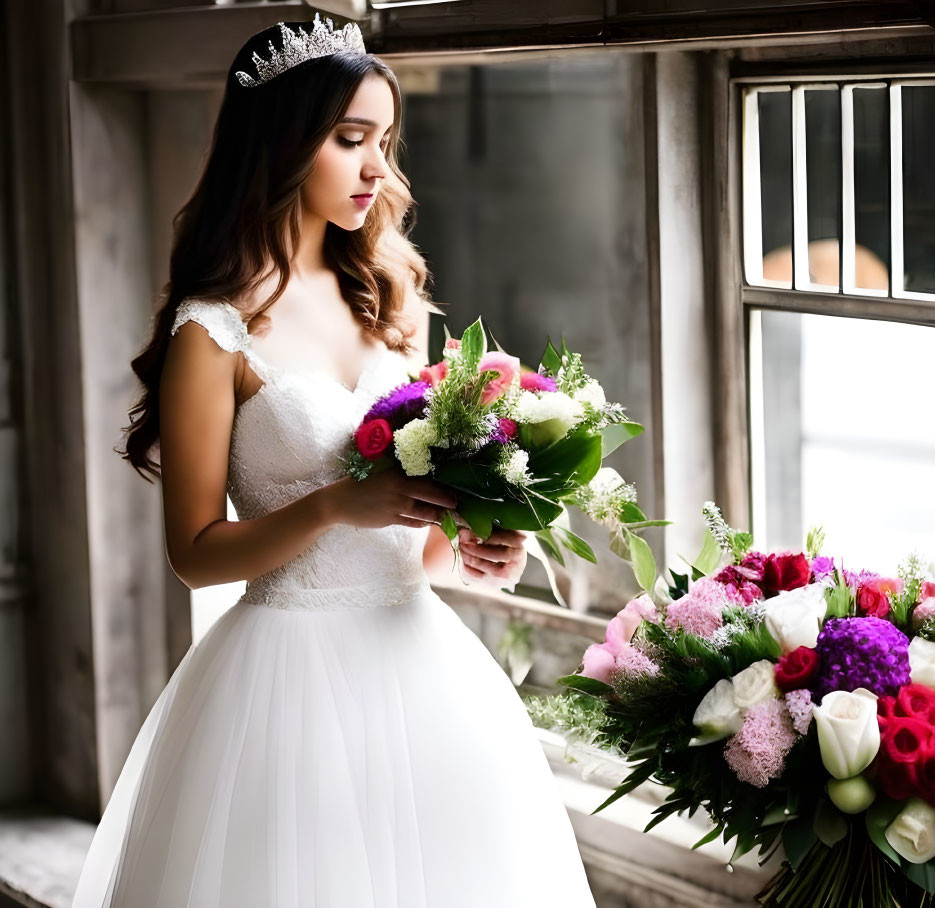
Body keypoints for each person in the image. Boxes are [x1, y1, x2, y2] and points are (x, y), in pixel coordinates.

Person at [71, 14, 597, 907]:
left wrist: (477, 546)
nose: (376, 170)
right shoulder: (214, 329)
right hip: (284, 684)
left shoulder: (392, 300)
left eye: (384, 142)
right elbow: (194, 553)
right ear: (280, 144)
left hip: (421, 664)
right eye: (350, 139)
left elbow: (416, 543)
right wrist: (333, 506)